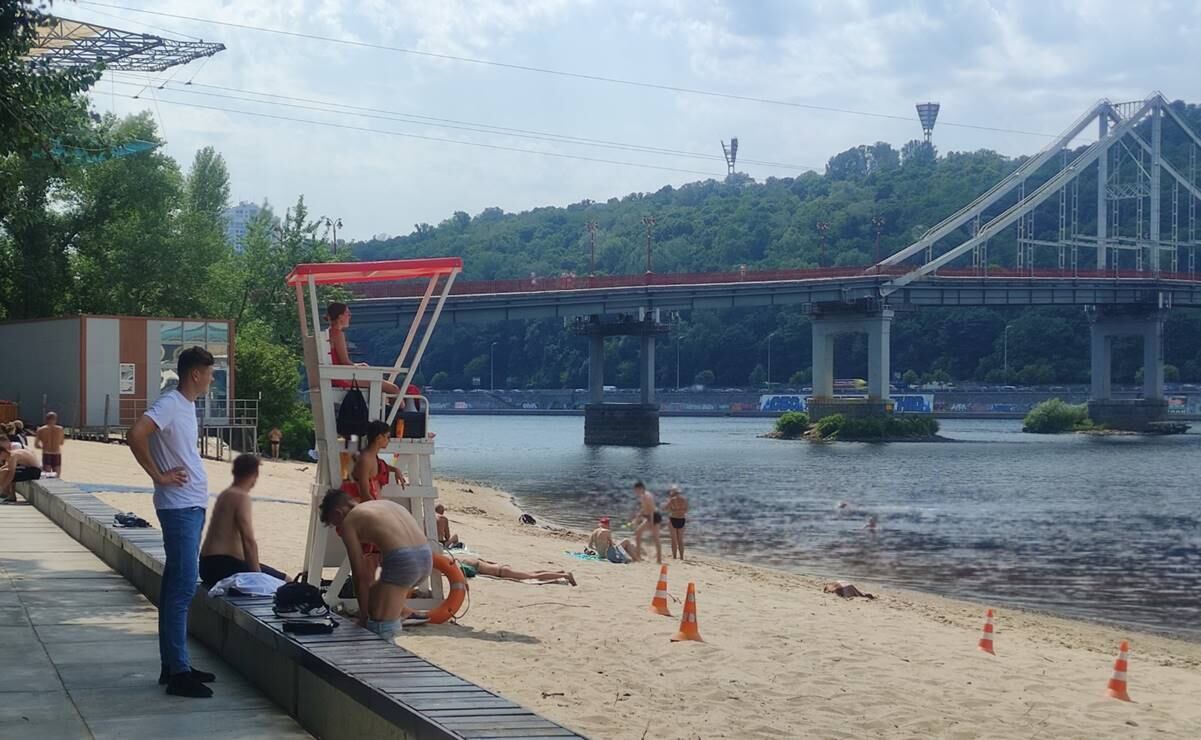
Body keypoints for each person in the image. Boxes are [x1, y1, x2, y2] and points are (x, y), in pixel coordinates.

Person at [127, 346, 216, 698]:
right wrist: (159, 476)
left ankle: (174, 664)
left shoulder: (187, 406)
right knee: (182, 589)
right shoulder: (171, 403)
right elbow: (136, 434)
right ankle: (178, 672)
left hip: (189, 505)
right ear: (196, 373)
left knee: (174, 588)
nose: (212, 379)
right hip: (179, 507)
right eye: (210, 373)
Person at [319, 488, 431, 641]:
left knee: (378, 625)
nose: (339, 529)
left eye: (336, 524)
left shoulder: (349, 522)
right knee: (375, 600)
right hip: (426, 556)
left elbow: (359, 575)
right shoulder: (381, 505)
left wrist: (363, 617)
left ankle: (386, 648)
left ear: (339, 513)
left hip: (403, 561)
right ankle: (399, 613)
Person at [199, 454, 288, 587]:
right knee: (287, 581)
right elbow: (248, 540)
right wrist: (258, 577)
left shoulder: (225, 494)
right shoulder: (241, 497)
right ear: (255, 475)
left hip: (206, 565)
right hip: (224, 566)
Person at [327, 302, 400, 395]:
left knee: (386, 388)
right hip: (342, 378)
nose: (350, 316)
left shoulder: (329, 333)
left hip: (335, 375)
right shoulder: (337, 333)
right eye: (347, 313)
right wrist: (360, 366)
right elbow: (344, 362)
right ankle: (403, 409)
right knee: (394, 389)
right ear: (340, 316)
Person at [455, 555, 576, 585]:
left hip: (502, 572)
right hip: (501, 567)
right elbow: (489, 562)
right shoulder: (472, 559)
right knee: (533, 572)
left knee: (533, 577)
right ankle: (558, 572)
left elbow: (470, 574)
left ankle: (565, 576)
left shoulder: (466, 565)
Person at [0, 437, 41, 503]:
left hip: (34, 472)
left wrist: (3, 486)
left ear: (3, 453)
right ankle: (10, 495)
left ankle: (5, 494)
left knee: (7, 474)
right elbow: (8, 466)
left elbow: (11, 473)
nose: (1, 459)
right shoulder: (11, 454)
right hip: (30, 469)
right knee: (4, 471)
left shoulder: (13, 456)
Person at [630, 480, 663, 564]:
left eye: (636, 490)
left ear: (641, 488)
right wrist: (638, 515)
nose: (635, 492)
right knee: (638, 533)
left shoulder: (648, 496)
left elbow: (651, 510)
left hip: (654, 517)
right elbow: (645, 508)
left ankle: (659, 559)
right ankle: (638, 557)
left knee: (656, 538)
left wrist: (651, 523)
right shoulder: (642, 495)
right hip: (649, 517)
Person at [35, 411, 65, 477]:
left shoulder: (41, 430)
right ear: (56, 419)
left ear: (46, 419)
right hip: (57, 453)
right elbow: (61, 443)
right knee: (57, 475)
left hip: (46, 453)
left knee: (47, 475)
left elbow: (36, 445)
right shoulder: (60, 429)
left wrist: (44, 446)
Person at [665, 485, 689, 560]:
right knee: (680, 540)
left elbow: (666, 509)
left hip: (673, 519)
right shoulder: (684, 500)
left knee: (674, 540)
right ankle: (681, 557)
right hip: (682, 519)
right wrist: (680, 511)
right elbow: (686, 510)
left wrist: (674, 510)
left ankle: (674, 557)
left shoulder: (671, 500)